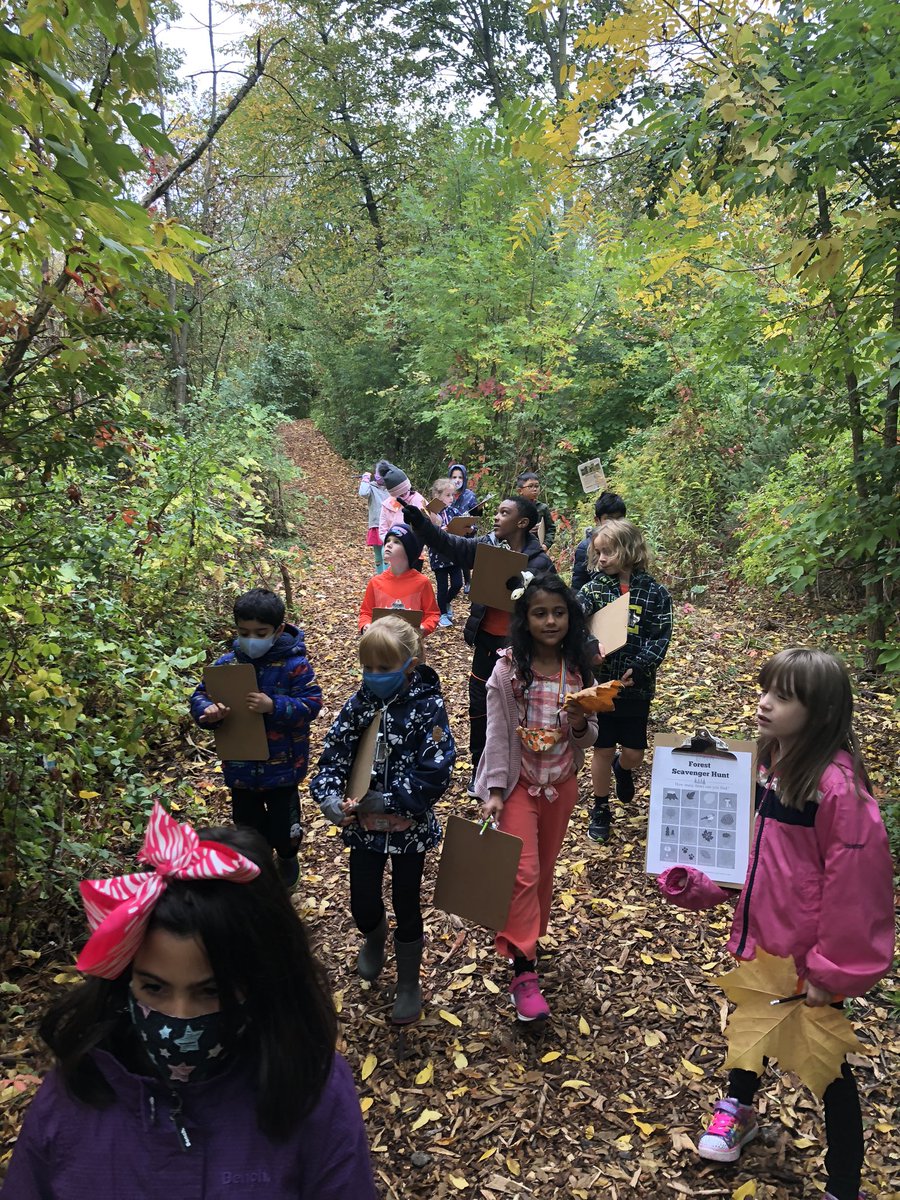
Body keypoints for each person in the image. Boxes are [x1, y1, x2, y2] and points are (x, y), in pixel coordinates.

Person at [1, 802, 378, 1199]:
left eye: (211, 991)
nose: (179, 1018)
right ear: (124, 978)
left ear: (261, 980)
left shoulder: (311, 1090)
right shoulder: (76, 1092)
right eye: (154, 988)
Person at [657, 647, 895, 1200]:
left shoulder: (837, 790)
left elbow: (857, 891)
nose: (763, 703)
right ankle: (738, 1111)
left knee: (829, 1068)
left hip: (809, 958)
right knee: (751, 1033)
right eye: (765, 689)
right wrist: (697, 883)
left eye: (782, 696)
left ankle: (843, 1182)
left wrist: (830, 972)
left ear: (821, 711)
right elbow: (752, 860)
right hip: (765, 944)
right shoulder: (767, 766)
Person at [309, 616, 456, 1024]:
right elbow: (333, 757)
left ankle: (409, 981)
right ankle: (374, 935)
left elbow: (437, 771)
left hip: (409, 832)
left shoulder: (428, 707)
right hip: (364, 832)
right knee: (363, 902)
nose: (373, 676)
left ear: (409, 664)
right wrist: (329, 799)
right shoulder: (359, 706)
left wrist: (388, 799)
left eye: (383, 668)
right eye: (367, 667)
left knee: (407, 904)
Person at [474, 573, 597, 1021]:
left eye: (559, 613)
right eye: (540, 613)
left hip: (560, 784)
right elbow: (497, 734)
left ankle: (528, 937)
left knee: (542, 870)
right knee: (522, 872)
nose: (550, 621)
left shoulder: (579, 668)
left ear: (571, 617)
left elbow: (587, 739)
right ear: (524, 618)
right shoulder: (508, 671)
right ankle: (524, 973)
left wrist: (582, 720)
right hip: (519, 784)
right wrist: (494, 790)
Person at [402, 496, 552, 788]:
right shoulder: (487, 547)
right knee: (480, 707)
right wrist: (420, 523)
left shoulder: (540, 562)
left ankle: (515, 769)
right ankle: (479, 768)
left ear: (522, 523)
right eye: (497, 512)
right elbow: (450, 545)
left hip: (518, 649)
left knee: (516, 709)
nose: (495, 517)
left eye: (504, 513)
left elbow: (555, 604)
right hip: (486, 644)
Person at [190, 588, 322, 890]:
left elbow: (312, 704)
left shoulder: (295, 665)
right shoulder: (226, 666)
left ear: (277, 630)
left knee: (285, 828)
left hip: (284, 767)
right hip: (240, 767)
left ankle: (287, 857)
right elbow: (200, 696)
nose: (251, 638)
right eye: (244, 631)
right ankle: (258, 869)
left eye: (260, 632)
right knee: (247, 827)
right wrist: (207, 711)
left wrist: (274, 705)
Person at [577, 520, 672, 843]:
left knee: (634, 753)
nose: (602, 559)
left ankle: (624, 767)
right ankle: (601, 807)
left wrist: (640, 666)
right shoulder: (593, 588)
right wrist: (588, 647)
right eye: (598, 552)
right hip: (602, 685)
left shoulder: (655, 592)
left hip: (637, 688)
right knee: (602, 748)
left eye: (609, 551)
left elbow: (660, 636)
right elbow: (577, 617)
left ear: (630, 550)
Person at [358, 523, 440, 635]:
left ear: (408, 550)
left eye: (397, 542)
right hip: (381, 644)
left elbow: (432, 614)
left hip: (410, 646)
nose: (389, 545)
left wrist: (423, 628)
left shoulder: (422, 583)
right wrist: (365, 626)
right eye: (388, 541)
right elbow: (366, 613)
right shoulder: (375, 582)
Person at [428, 477, 466, 628]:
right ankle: (441, 613)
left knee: (457, 584)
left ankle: (445, 603)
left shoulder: (454, 511)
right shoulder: (431, 513)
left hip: (454, 554)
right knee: (442, 586)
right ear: (438, 496)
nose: (451, 498)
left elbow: (463, 523)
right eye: (447, 495)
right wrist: (439, 530)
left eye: (452, 495)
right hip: (438, 556)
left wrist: (467, 527)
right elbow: (426, 532)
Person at [571, 491, 627, 592]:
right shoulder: (586, 548)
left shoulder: (629, 544)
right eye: (609, 519)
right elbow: (578, 585)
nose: (614, 524)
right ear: (597, 520)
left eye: (618, 519)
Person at [448, 462, 481, 594]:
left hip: (466, 532)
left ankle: (468, 581)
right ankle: (454, 584)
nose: (457, 480)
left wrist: (472, 527)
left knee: (464, 557)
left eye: (460, 477)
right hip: (449, 531)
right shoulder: (446, 493)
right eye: (454, 477)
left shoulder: (470, 495)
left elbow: (477, 516)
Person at [376, 460, 426, 542]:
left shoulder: (418, 499)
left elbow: (428, 521)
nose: (404, 496)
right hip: (392, 543)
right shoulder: (387, 505)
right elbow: (382, 530)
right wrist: (389, 542)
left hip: (414, 545)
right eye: (400, 495)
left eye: (406, 492)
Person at [358, 466, 389, 574]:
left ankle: (386, 577)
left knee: (386, 551)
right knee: (377, 555)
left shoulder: (391, 488)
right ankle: (379, 577)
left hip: (388, 526)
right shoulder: (371, 487)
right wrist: (365, 479)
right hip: (375, 524)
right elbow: (363, 493)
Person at [515, 471, 556, 552]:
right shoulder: (514, 508)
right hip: (517, 549)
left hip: (537, 549)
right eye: (530, 486)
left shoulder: (542, 508)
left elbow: (551, 529)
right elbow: (507, 529)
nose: (535, 489)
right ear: (520, 491)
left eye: (537, 486)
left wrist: (546, 545)